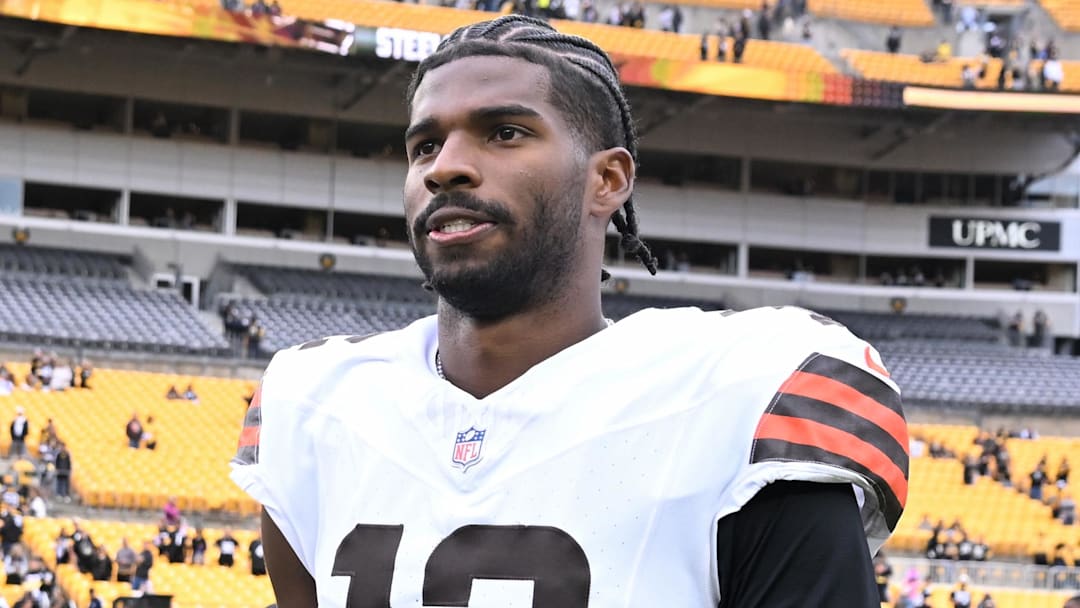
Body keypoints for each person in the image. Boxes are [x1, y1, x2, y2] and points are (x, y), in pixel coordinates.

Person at [230, 15, 908, 608]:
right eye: (425, 146)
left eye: (504, 132)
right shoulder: (313, 405)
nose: (445, 168)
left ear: (607, 180)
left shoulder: (747, 398)